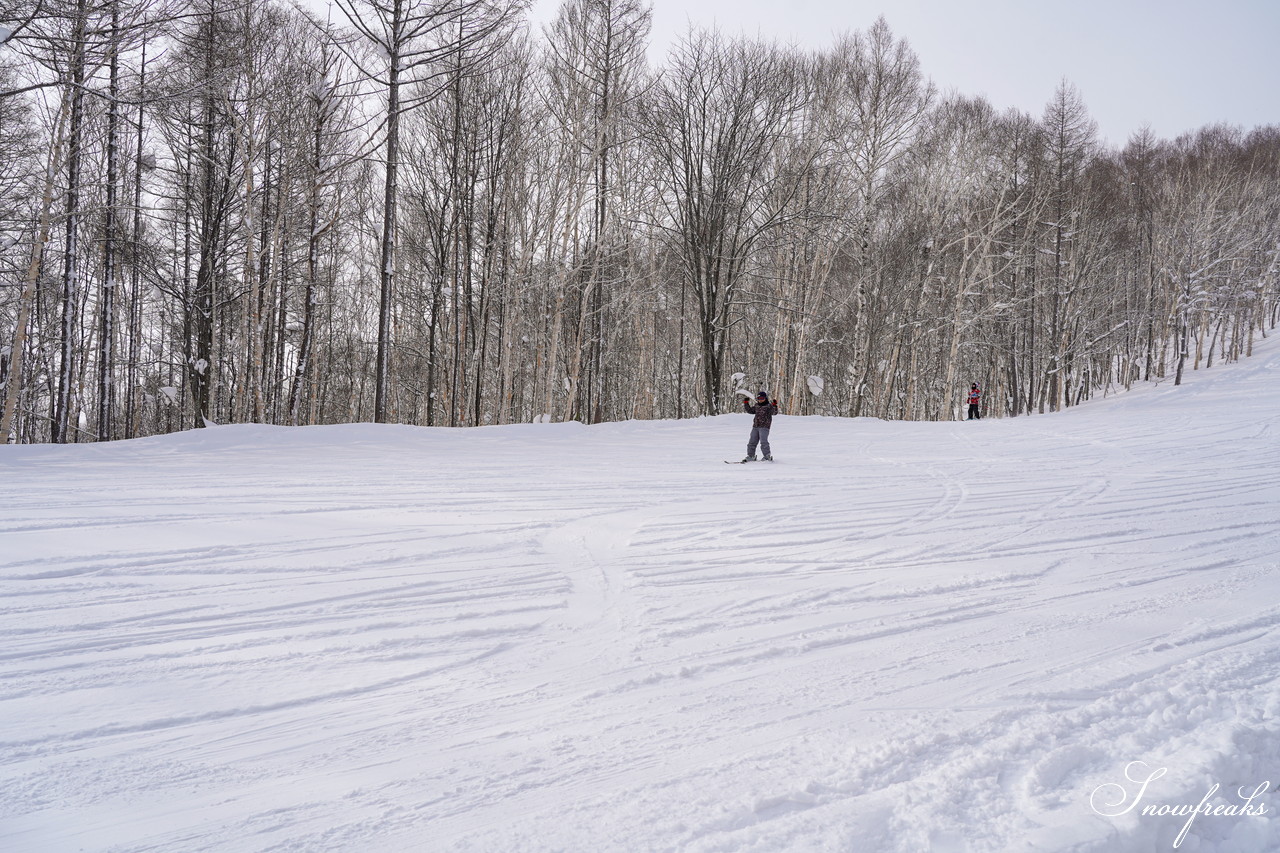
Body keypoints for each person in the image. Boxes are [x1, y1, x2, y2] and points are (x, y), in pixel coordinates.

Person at [743, 391, 778, 462]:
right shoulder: (757, 405)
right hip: (755, 426)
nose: (760, 400)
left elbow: (774, 413)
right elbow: (750, 411)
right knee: (752, 442)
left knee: (763, 442)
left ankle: (767, 456)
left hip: (764, 427)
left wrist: (774, 405)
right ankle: (751, 456)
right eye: (759, 398)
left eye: (762, 398)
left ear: (765, 398)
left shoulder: (768, 406)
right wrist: (746, 403)